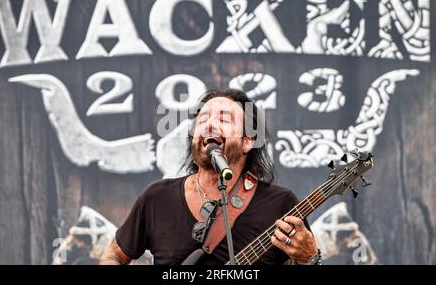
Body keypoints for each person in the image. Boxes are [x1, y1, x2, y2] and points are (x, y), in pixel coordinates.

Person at [99, 89, 319, 265]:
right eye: (202, 120)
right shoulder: (157, 197)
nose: (209, 125)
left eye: (224, 119)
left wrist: (310, 258)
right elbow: (114, 256)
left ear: (247, 141)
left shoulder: (280, 204)